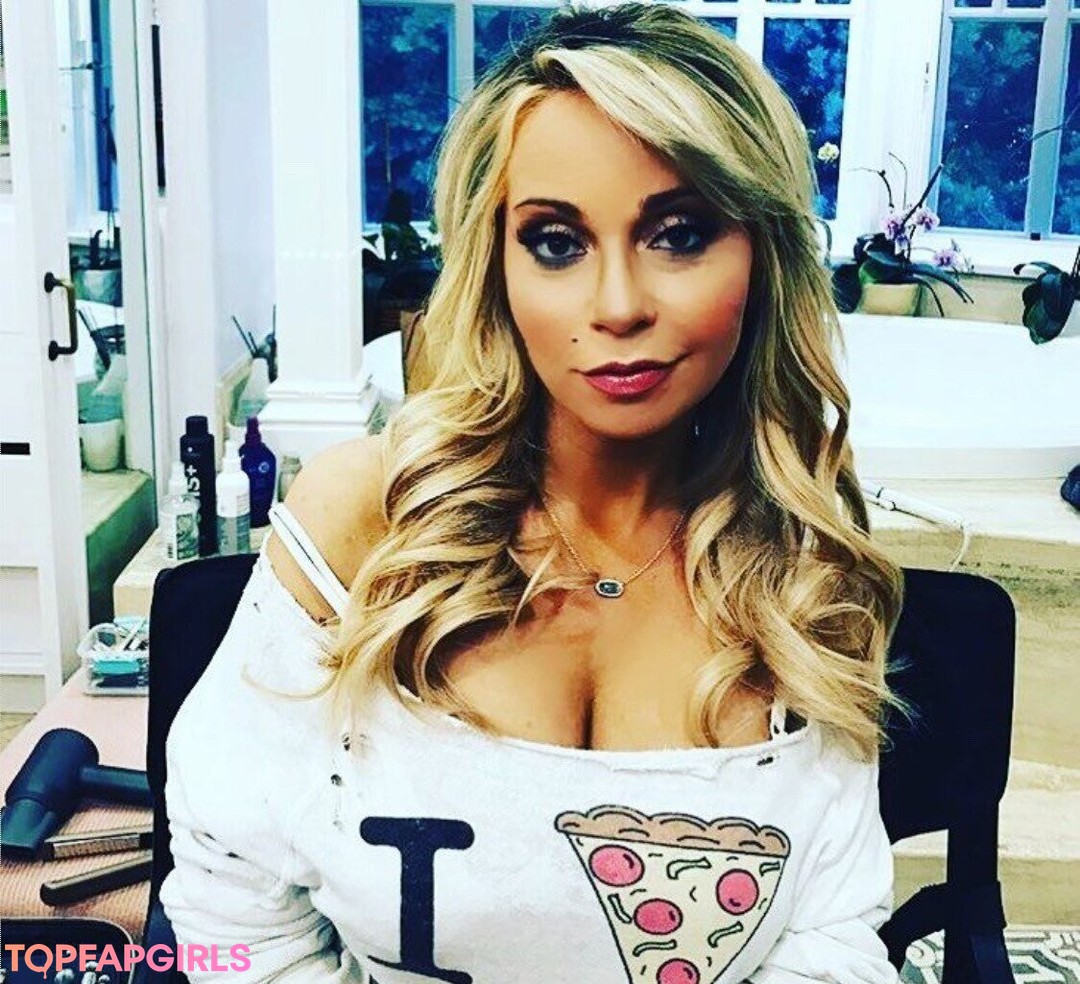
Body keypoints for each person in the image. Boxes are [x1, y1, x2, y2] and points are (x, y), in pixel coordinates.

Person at [160, 4, 907, 982]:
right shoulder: (366, 522)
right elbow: (228, 897)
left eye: (680, 234)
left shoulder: (805, 575)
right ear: (497, 266)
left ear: (762, 257)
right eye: (556, 242)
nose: (618, 305)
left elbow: (832, 943)